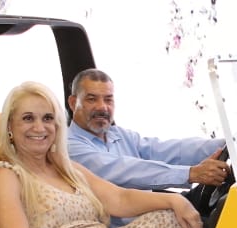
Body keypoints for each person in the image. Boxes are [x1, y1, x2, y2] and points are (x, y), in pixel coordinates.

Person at [0, 81, 203, 228]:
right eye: (28, 118)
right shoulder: (6, 174)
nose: (40, 128)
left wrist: (174, 201)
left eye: (47, 118)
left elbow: (119, 199)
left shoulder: (66, 168)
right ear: (9, 126)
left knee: (173, 219)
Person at [67, 68, 227, 190]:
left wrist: (226, 144)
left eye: (108, 100)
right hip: (122, 224)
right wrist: (190, 173)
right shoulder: (69, 146)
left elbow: (166, 150)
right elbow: (125, 170)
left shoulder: (119, 135)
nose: (102, 107)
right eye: (92, 99)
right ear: (73, 103)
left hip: (151, 213)